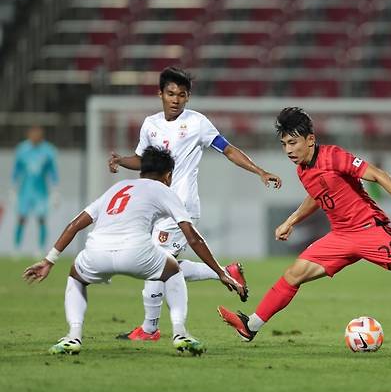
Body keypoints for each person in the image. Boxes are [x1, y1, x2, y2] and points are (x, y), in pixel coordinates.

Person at [218, 107, 391, 344]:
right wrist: (290, 220)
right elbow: (318, 196)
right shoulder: (303, 169)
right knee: (294, 273)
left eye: (293, 143)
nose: (288, 150)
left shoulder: (333, 156)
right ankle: (250, 326)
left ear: (311, 139)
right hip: (340, 237)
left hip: (369, 231)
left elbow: (377, 173)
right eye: (284, 145)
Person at [108, 67, 281, 341]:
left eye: (181, 95)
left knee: (155, 266)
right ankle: (226, 273)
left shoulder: (197, 123)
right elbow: (144, 161)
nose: (175, 99)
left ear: (188, 98)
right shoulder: (150, 125)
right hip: (156, 205)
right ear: (160, 94)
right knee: (164, 265)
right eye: (170, 93)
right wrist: (120, 160)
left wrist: (259, 170)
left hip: (181, 207)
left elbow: (228, 149)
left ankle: (150, 329)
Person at [23, 146, 247, 355]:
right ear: (168, 175)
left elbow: (75, 225)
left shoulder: (117, 187)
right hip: (135, 252)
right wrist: (219, 271)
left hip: (96, 251)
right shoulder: (163, 190)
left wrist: (49, 260)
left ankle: (73, 336)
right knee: (172, 269)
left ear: (142, 170)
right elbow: (193, 238)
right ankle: (180, 333)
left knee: (76, 276)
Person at [12, 126, 59, 254]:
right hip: (25, 191)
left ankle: (40, 248)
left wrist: (55, 191)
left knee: (41, 218)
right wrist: (14, 189)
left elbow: (53, 171)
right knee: (21, 218)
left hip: (41, 192)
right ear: (29, 135)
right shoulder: (22, 149)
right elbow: (16, 170)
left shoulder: (48, 150)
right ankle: (16, 248)